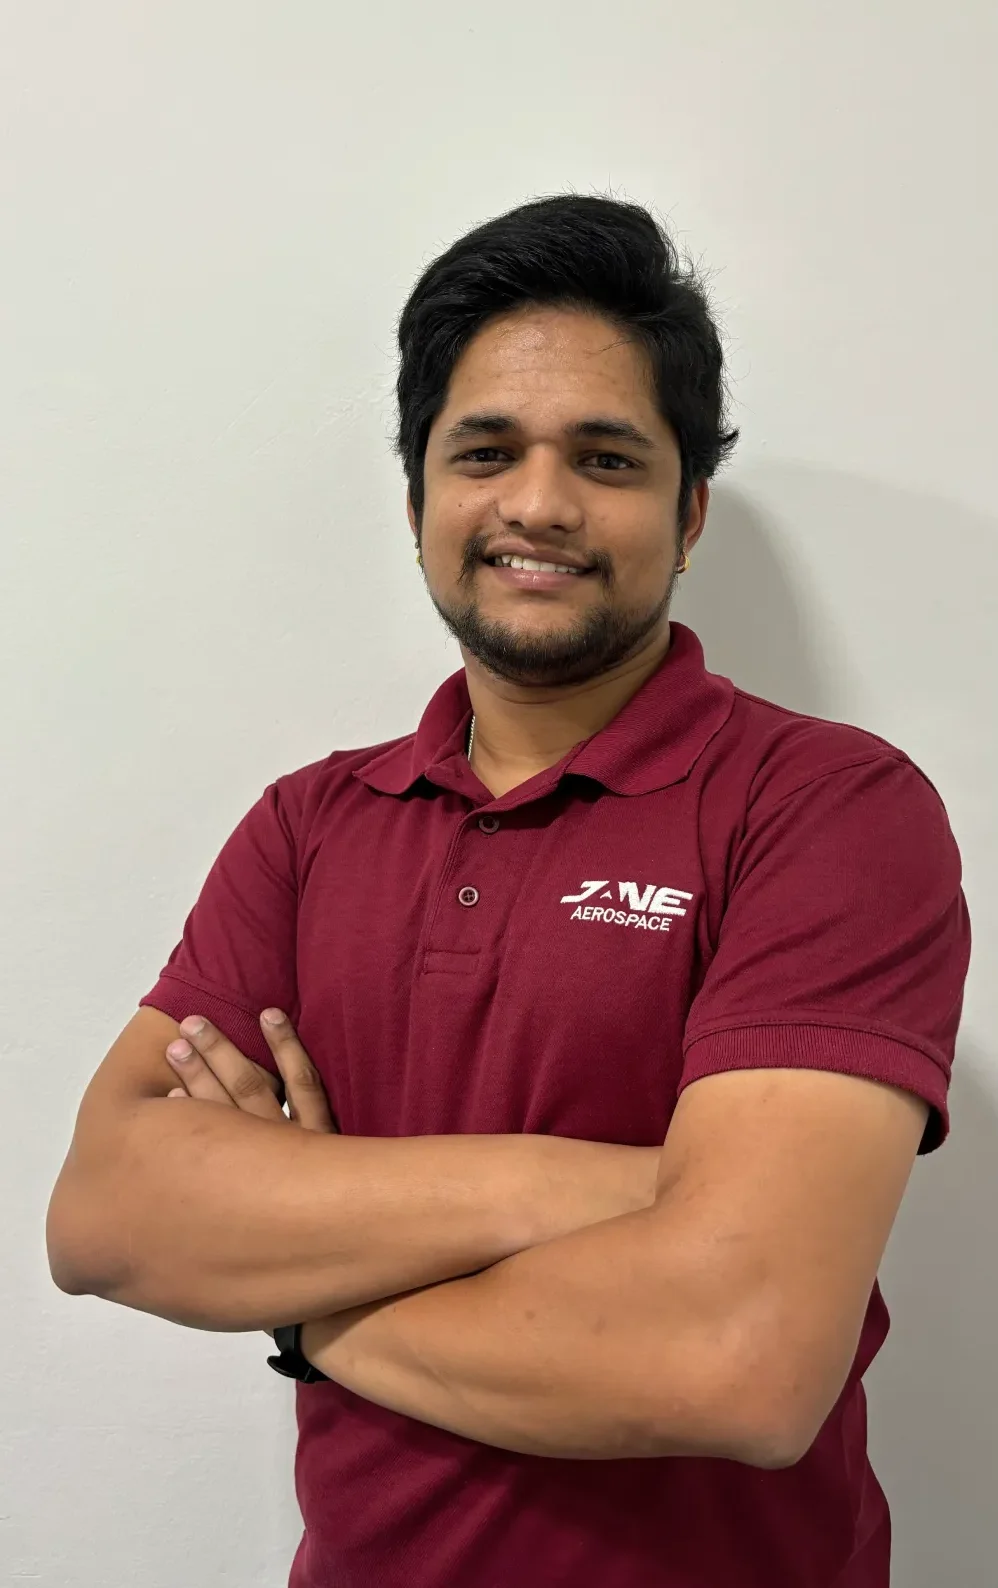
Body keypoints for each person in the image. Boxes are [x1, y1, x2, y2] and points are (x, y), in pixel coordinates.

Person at [46, 194, 971, 1588]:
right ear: (418, 490)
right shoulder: (307, 828)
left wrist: (306, 1297)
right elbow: (106, 1216)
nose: (538, 503)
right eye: (485, 451)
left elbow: (737, 1359)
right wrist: (628, 1191)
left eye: (605, 456)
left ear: (688, 508)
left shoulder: (827, 809)